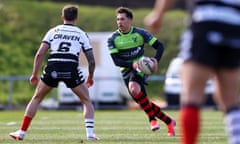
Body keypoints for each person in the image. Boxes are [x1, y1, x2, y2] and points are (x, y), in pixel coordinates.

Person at [145, 0, 240, 144]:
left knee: (192, 95)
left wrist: (159, 14)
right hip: (234, 24)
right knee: (229, 100)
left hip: (205, 20)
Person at [9, 5, 99, 141]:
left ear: (62, 17)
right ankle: (90, 134)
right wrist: (91, 77)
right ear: (77, 18)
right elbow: (91, 60)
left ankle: (21, 132)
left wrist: (34, 74)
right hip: (71, 68)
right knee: (86, 101)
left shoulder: (53, 31)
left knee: (37, 98)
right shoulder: (81, 33)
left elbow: (40, 53)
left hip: (53, 67)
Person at [108, 6, 176, 136]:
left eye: (122, 19)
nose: (119, 22)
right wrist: (131, 64)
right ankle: (169, 122)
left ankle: (152, 120)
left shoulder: (140, 33)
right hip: (126, 71)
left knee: (134, 88)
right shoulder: (113, 39)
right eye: (117, 19)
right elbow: (117, 61)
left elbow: (159, 46)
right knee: (144, 101)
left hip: (140, 68)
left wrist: (156, 60)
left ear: (130, 20)